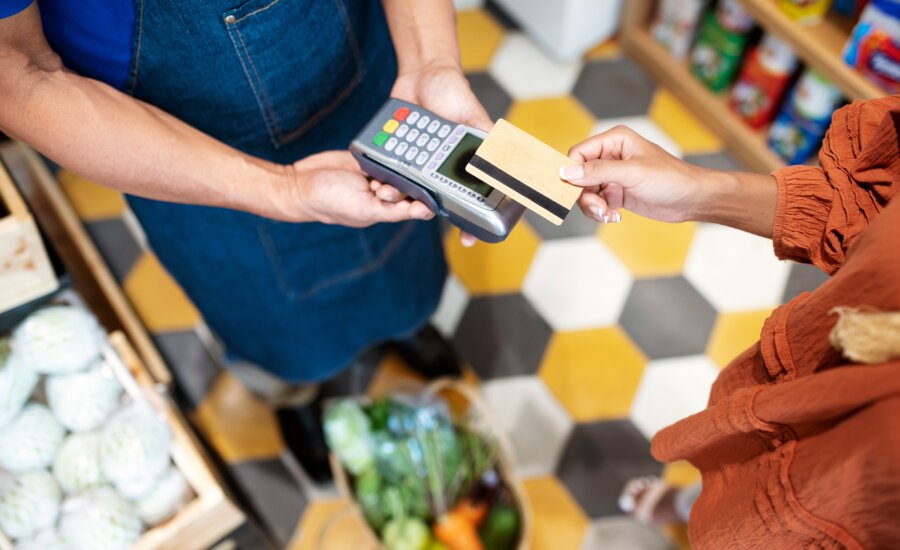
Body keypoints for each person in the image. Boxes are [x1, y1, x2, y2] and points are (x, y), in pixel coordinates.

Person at [0, 0, 491, 482]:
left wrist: (430, 63)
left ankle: (405, 324)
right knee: (270, 319)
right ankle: (295, 393)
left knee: (403, 253)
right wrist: (282, 190)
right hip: (184, 146)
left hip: (363, 68)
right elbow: (19, 76)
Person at [560, 95, 900, 547]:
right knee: (733, 478)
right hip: (810, 396)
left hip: (855, 509)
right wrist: (697, 191)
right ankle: (689, 505)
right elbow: (867, 207)